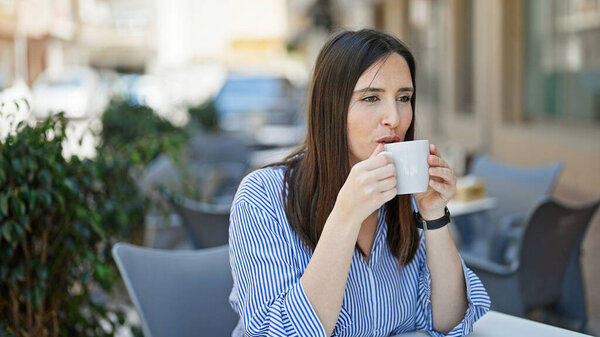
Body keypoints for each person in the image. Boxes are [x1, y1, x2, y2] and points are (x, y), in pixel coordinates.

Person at [228, 29, 490, 337]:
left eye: (404, 98)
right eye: (371, 98)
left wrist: (434, 215)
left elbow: (446, 321)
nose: (394, 116)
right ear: (331, 108)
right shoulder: (263, 197)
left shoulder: (404, 193)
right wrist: (346, 215)